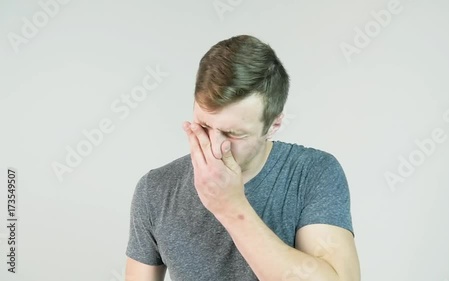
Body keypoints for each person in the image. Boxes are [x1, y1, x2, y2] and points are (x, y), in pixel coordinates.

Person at [125, 34, 360, 281]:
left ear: (274, 124)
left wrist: (230, 206)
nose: (215, 147)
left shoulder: (313, 172)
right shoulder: (156, 189)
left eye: (233, 134)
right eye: (204, 125)